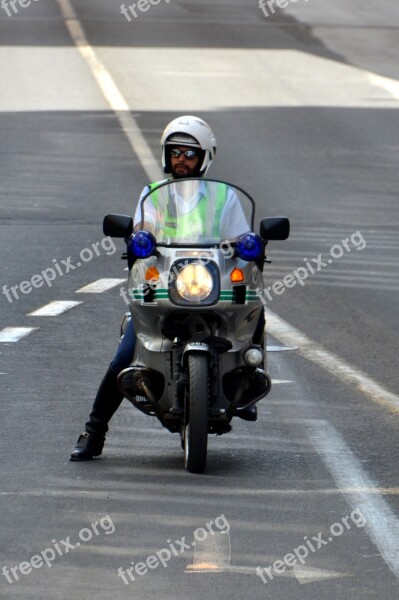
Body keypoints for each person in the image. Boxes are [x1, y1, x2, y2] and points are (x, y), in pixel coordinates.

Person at [70, 116, 263, 461]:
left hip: (208, 281)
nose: (181, 159)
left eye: (189, 153)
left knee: (253, 313)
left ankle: (244, 383)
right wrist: (139, 237)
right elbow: (141, 229)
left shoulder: (226, 198)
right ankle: (94, 431)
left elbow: (239, 235)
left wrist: (248, 242)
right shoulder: (152, 195)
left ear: (204, 157)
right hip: (162, 284)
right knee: (124, 353)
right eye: (175, 152)